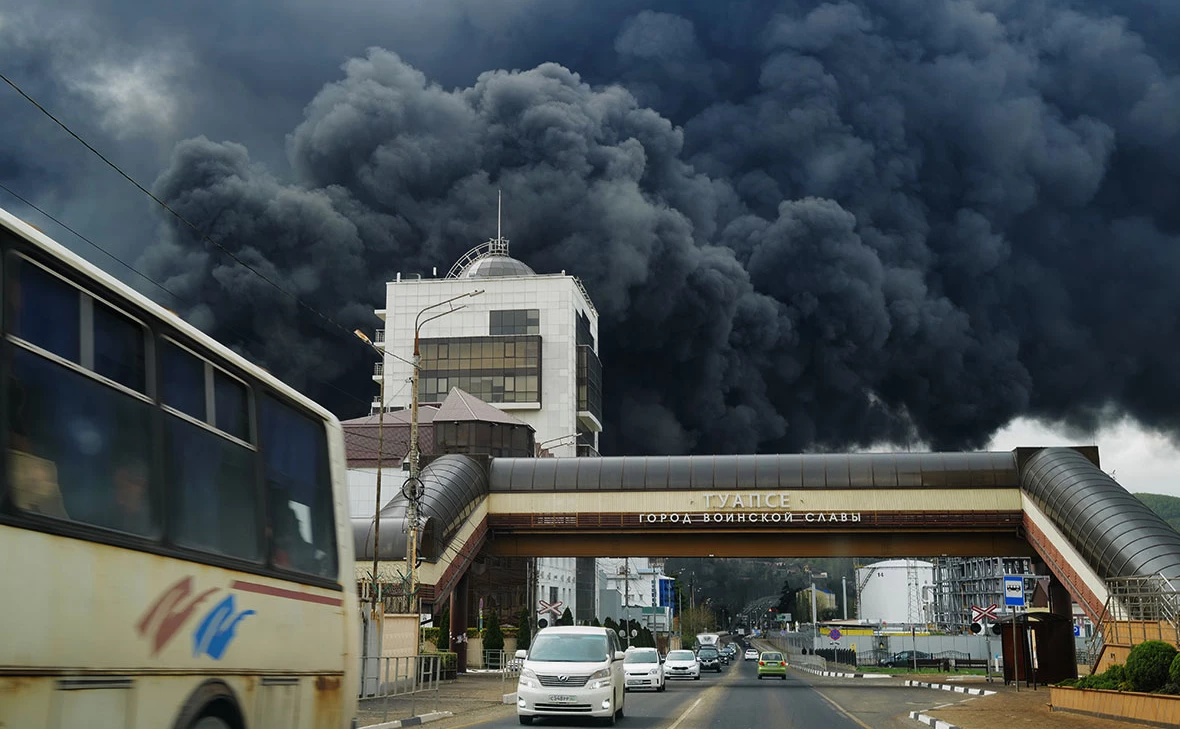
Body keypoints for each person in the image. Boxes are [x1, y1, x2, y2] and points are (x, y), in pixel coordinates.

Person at [110, 459, 152, 535]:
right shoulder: (109, 519)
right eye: (116, 487)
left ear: (140, 486)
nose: (118, 495)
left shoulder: (152, 525)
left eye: (123, 487)